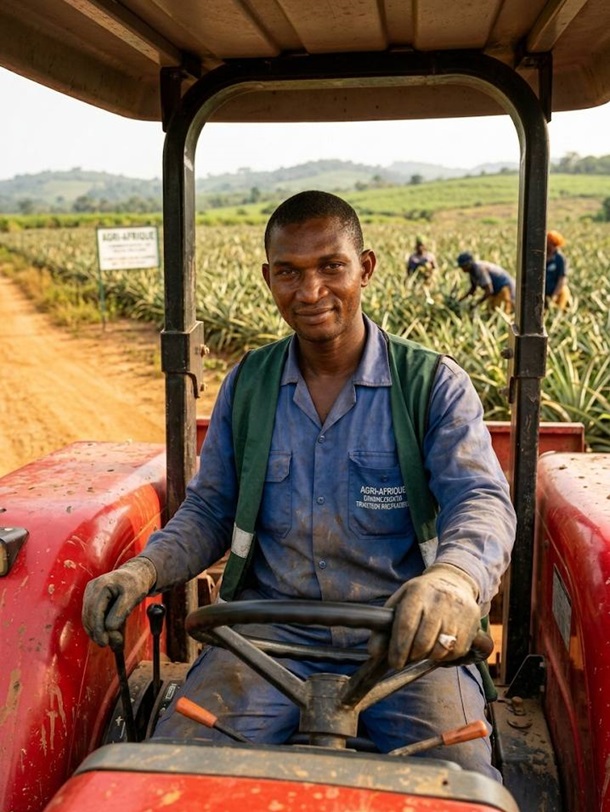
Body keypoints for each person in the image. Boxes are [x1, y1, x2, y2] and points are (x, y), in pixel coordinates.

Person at [82, 191, 516, 781]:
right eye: (289, 272)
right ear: (268, 278)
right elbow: (211, 508)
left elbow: (480, 499)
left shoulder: (431, 384)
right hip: (266, 640)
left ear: (365, 267)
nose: (310, 292)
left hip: (403, 643)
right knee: (171, 778)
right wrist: (143, 571)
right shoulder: (250, 387)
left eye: (330, 267)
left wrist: (454, 578)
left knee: (455, 784)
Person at [545, 230, 571, 309]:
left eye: (555, 245)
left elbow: (561, 280)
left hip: (555, 293)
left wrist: (554, 296)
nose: (552, 247)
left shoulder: (560, 259)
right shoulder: (540, 256)